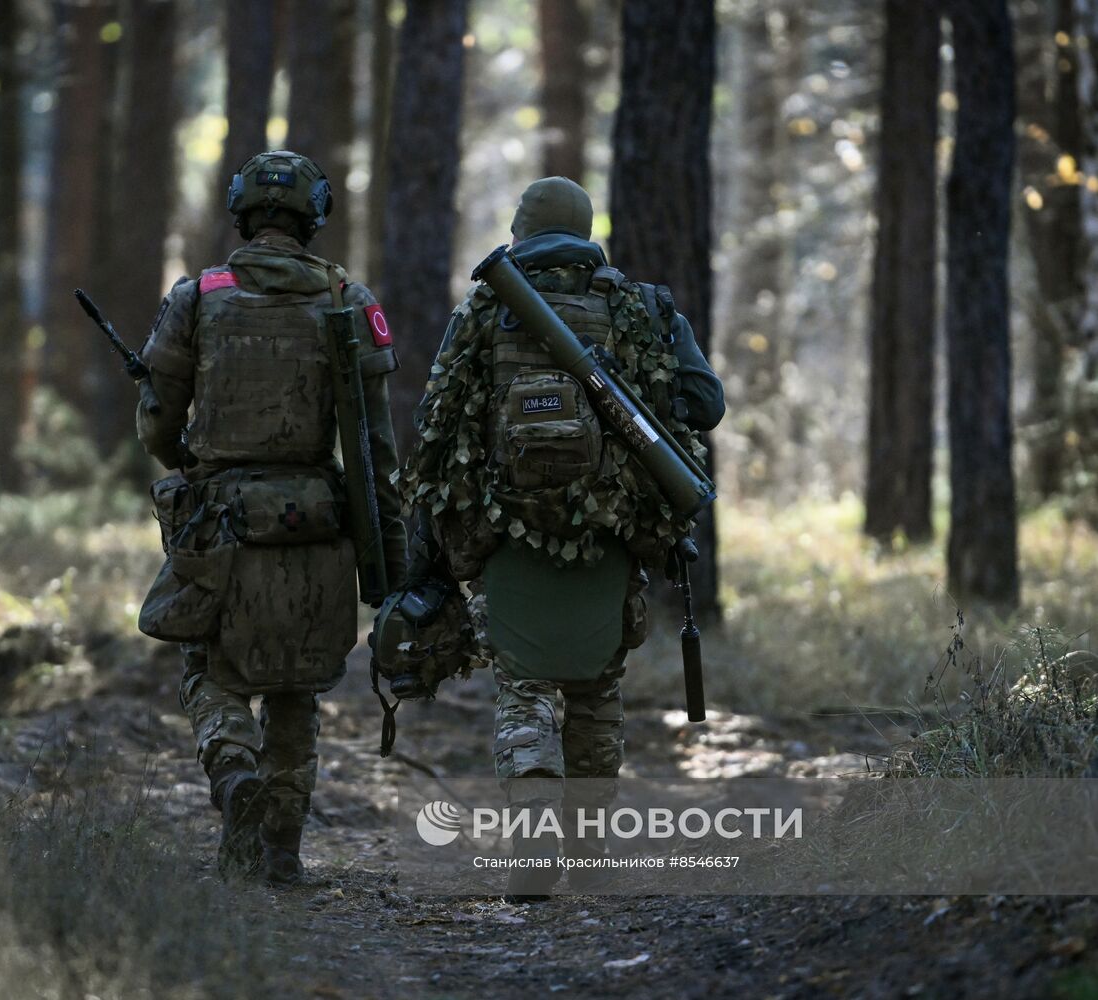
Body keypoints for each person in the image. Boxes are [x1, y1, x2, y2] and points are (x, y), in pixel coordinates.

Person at [397, 176, 724, 897]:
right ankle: (592, 855)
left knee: (525, 687)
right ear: (584, 229)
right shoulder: (642, 306)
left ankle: (533, 844)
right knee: (597, 688)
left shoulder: (489, 305)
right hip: (612, 532)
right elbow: (706, 402)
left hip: (507, 535)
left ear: (521, 230)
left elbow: (437, 421)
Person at [134, 150, 407, 884]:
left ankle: (231, 773)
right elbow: (376, 447)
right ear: (313, 215)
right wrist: (394, 555)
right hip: (318, 525)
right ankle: (279, 853)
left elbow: (158, 420)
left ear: (241, 210)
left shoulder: (198, 296)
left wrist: (189, 466)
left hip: (222, 523)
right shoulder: (348, 297)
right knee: (295, 690)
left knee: (213, 668)